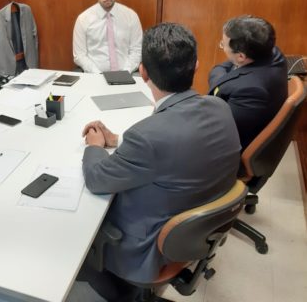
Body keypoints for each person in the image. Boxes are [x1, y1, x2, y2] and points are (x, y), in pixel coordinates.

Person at [79, 23, 240, 299]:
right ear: (197, 66)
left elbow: (97, 179)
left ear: (143, 72)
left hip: (148, 248)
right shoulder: (220, 108)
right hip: (197, 231)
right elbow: (174, 150)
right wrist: (117, 139)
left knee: (82, 217)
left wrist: (94, 147)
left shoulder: (147, 136)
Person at [208, 15, 288, 151]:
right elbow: (224, 67)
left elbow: (218, 129)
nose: (222, 47)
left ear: (241, 56)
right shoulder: (273, 53)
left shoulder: (251, 91)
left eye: (223, 44)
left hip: (231, 148)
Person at [73, 0, 143, 73]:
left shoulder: (131, 17)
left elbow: (136, 52)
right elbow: (79, 55)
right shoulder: (83, 20)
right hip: (95, 76)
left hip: (127, 75)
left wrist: (125, 73)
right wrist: (98, 74)